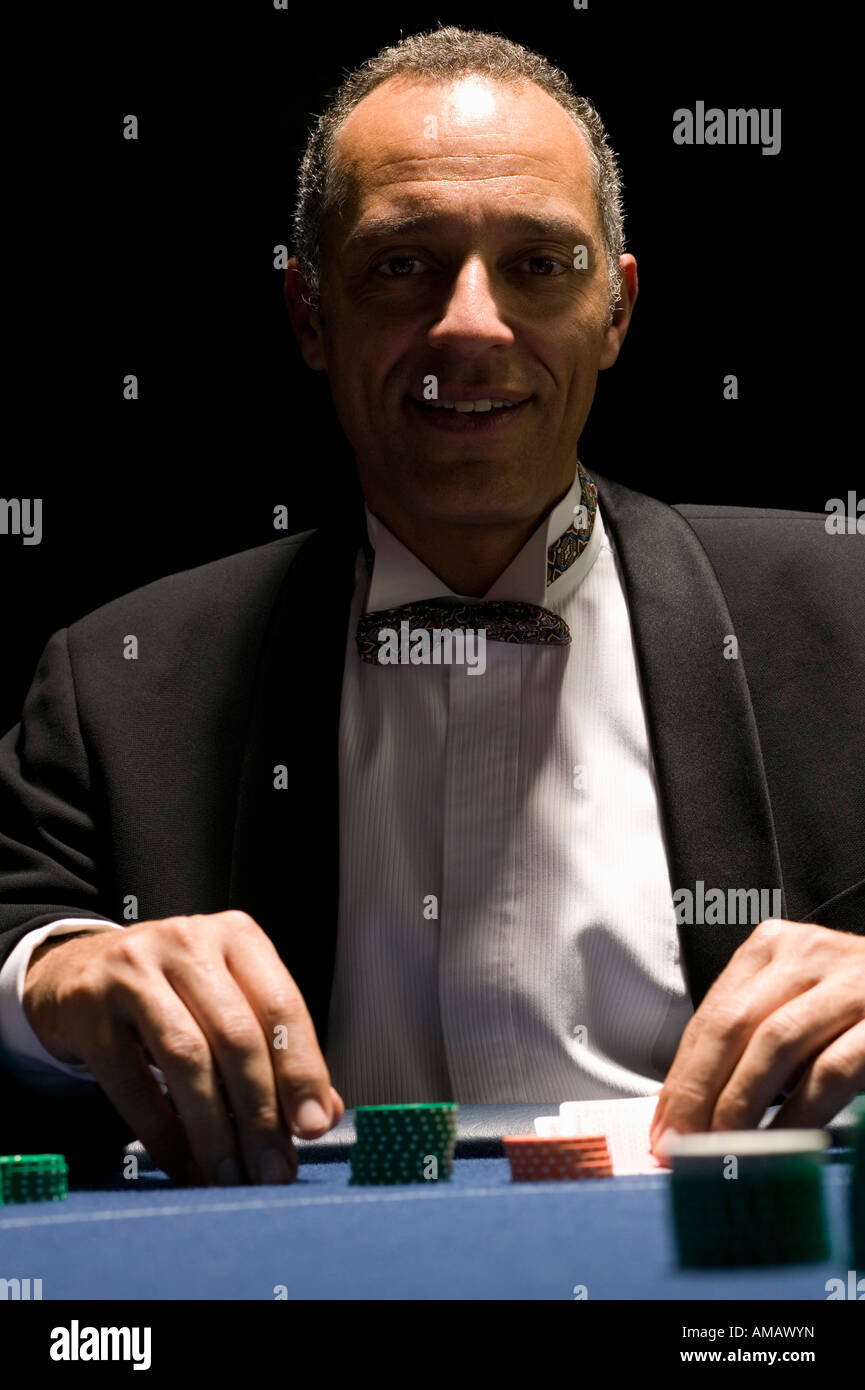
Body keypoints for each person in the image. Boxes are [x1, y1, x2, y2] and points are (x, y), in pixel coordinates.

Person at [1, 28, 862, 1188]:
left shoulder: (849, 608)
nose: (471, 324)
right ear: (309, 314)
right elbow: (17, 925)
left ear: (616, 310)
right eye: (403, 263)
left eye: (539, 264)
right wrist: (53, 974)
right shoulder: (118, 677)